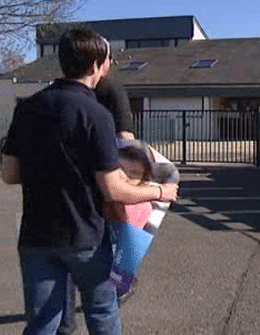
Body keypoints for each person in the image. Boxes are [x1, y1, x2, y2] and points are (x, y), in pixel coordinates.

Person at [1, 27, 178, 335]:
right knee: (103, 314)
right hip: (86, 236)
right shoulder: (95, 114)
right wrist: (161, 189)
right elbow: (112, 188)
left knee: (43, 322)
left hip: (35, 234)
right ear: (96, 65)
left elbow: (10, 174)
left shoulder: (26, 109)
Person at [59, 75, 137, 334]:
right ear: (100, 61)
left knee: (64, 261)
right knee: (110, 254)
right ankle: (113, 300)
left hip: (65, 191)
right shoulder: (112, 88)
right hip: (105, 188)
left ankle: (65, 321)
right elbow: (126, 138)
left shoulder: (59, 94)